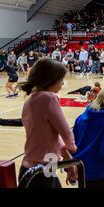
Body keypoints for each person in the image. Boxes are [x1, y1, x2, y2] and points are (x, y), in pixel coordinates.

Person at [17, 58, 77, 188]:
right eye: (61, 79)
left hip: (30, 168)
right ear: (51, 79)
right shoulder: (49, 98)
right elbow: (66, 132)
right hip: (42, 170)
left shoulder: (31, 99)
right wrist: (72, 147)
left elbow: (50, 135)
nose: (62, 83)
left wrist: (65, 154)